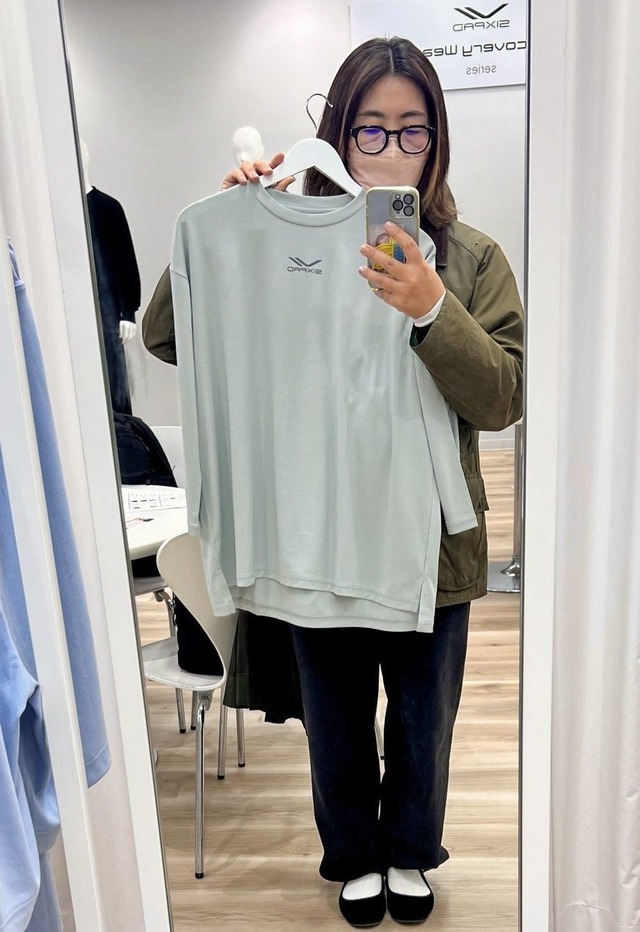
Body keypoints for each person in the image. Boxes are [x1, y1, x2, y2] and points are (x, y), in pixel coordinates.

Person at [143, 36, 523, 928]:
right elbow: (170, 336)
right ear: (339, 132)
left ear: (437, 141)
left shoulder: (471, 258)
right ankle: (352, 852)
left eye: (412, 130)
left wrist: (433, 307)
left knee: (423, 716)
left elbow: (504, 396)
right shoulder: (278, 242)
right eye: (370, 129)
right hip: (316, 525)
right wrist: (230, 233)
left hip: (432, 544)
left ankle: (411, 850)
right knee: (337, 713)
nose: (390, 152)